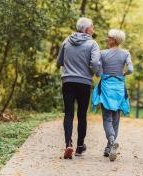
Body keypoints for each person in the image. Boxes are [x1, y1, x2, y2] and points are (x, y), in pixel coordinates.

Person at [57, 17, 101, 159]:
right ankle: (80, 147)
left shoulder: (66, 41)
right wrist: (93, 72)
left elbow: (59, 61)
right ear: (86, 29)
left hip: (68, 81)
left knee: (68, 113)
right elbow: (95, 63)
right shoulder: (92, 44)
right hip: (84, 82)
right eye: (92, 27)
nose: (93, 30)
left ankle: (68, 143)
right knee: (82, 115)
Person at [92, 29, 133, 161]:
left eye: (108, 37)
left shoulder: (102, 53)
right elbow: (131, 69)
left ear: (114, 39)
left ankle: (110, 140)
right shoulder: (126, 53)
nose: (106, 39)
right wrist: (122, 74)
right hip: (119, 87)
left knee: (107, 118)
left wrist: (100, 74)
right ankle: (110, 146)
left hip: (106, 87)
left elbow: (97, 68)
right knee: (116, 118)